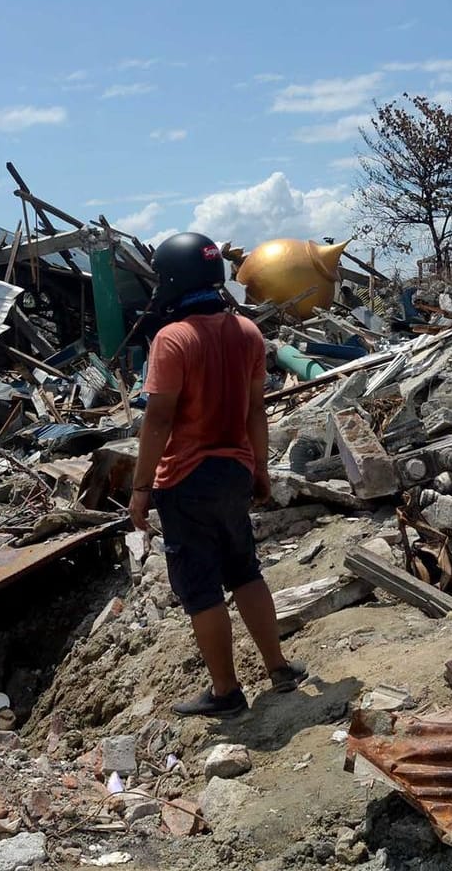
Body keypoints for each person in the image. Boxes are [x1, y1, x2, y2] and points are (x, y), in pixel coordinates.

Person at [127, 232, 306, 718]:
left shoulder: (173, 338)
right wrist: (260, 468)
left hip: (186, 480)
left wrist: (141, 489)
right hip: (234, 473)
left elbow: (158, 419)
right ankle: (278, 668)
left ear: (170, 279)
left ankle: (226, 692)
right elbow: (256, 411)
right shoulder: (248, 331)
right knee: (245, 570)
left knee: (202, 589)